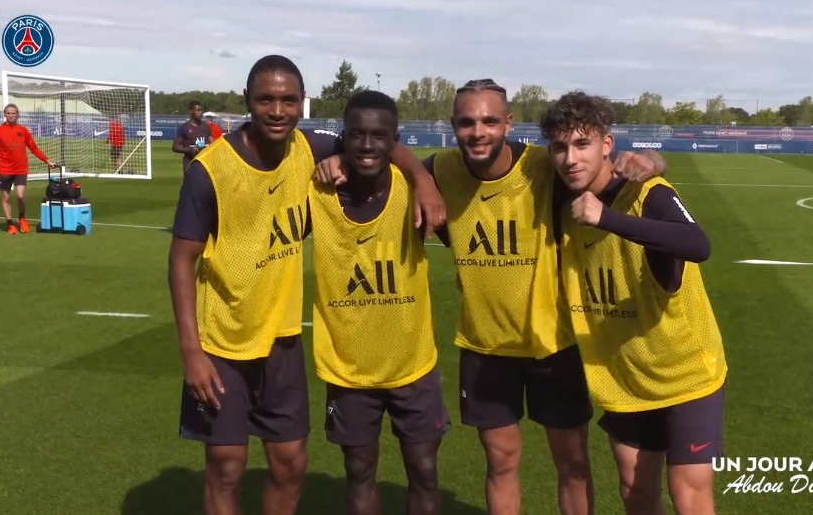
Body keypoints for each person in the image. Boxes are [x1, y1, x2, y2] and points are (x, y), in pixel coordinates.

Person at [315, 79, 664, 515]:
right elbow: (388, 150)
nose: (477, 131)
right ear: (453, 126)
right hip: (485, 347)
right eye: (466, 122)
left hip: (553, 343)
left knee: (572, 464)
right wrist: (422, 178)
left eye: (489, 121)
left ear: (508, 123)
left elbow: (602, 173)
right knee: (501, 462)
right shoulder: (442, 169)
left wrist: (651, 158)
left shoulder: (542, 165)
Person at [168, 55, 445, 515]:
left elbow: (376, 141)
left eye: (288, 100)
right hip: (223, 342)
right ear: (247, 101)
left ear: (301, 103)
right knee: (226, 468)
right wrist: (191, 353)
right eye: (266, 99)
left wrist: (421, 179)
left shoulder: (309, 146)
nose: (278, 110)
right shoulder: (209, 171)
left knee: (292, 463)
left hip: (283, 340)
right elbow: (181, 260)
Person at [542, 91, 727, 515]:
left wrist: (609, 217)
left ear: (607, 144)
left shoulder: (650, 194)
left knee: (690, 495)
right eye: (560, 147)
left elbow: (697, 244)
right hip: (624, 377)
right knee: (635, 492)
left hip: (686, 375)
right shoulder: (561, 195)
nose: (570, 158)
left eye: (582, 144)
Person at [307, 90, 450, 515]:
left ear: (396, 140)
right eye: (356, 134)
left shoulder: (416, 191)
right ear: (343, 137)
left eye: (378, 135)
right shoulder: (316, 188)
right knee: (359, 470)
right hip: (348, 369)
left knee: (424, 470)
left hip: (413, 364)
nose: (367, 144)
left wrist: (423, 179)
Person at [0, 103, 56, 235]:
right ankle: (10, 224)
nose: (11, 115)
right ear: (5, 114)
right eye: (8, 113)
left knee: (20, 196)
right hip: (5, 170)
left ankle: (22, 217)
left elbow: (33, 148)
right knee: (6, 198)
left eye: (13, 113)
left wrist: (46, 160)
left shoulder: (23, 130)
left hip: (20, 169)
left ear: (17, 114)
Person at [172, 100, 214, 173]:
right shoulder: (184, 128)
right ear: (191, 111)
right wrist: (190, 150)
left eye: (201, 110)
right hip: (190, 165)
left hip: (205, 165)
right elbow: (175, 147)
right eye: (197, 110)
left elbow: (212, 144)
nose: (200, 113)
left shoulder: (206, 127)